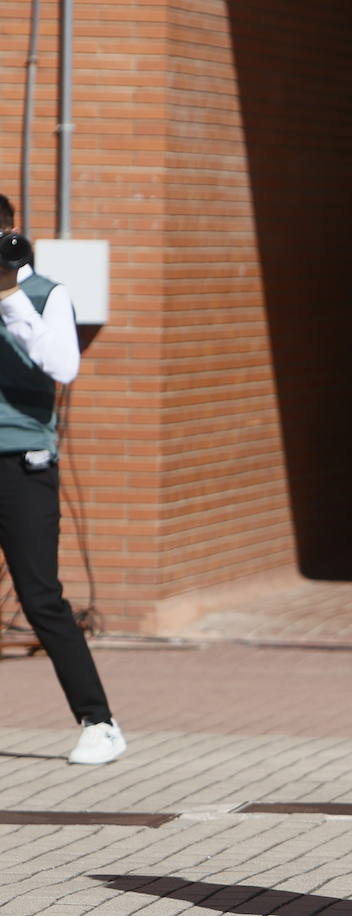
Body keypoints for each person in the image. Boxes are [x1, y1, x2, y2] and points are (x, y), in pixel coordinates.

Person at [0, 195, 125, 765]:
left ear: (11, 233)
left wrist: (9, 299)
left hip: (21, 461)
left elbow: (62, 366)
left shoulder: (45, 295)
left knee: (40, 597)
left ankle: (100, 722)